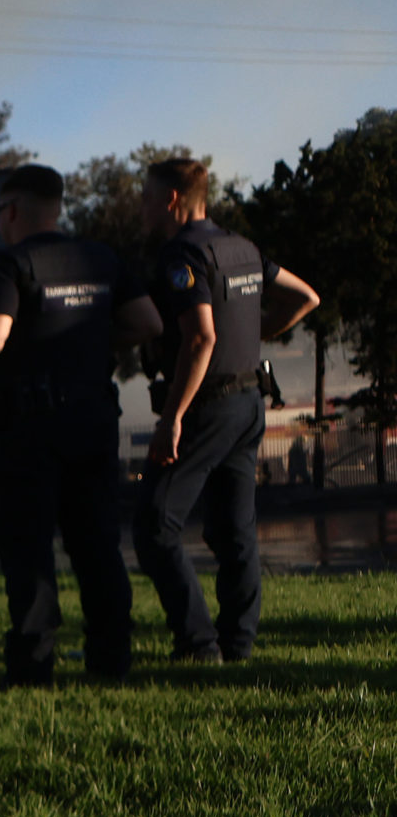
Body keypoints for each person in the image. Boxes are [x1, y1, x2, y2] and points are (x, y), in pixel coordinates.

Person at [0, 164, 162, 685]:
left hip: (25, 434)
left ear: (13, 211)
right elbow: (147, 323)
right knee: (97, 547)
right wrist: (87, 337)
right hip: (92, 424)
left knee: (28, 554)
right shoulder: (101, 258)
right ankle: (111, 659)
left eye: (1, 212)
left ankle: (32, 666)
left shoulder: (12, 263)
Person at [131, 158, 319, 663]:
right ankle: (238, 643)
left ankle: (198, 644)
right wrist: (260, 331)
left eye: (147, 197)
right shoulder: (242, 248)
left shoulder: (182, 256)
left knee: (154, 524)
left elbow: (201, 338)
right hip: (250, 403)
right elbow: (306, 297)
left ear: (171, 199)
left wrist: (172, 419)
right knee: (234, 531)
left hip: (208, 407)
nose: (142, 206)